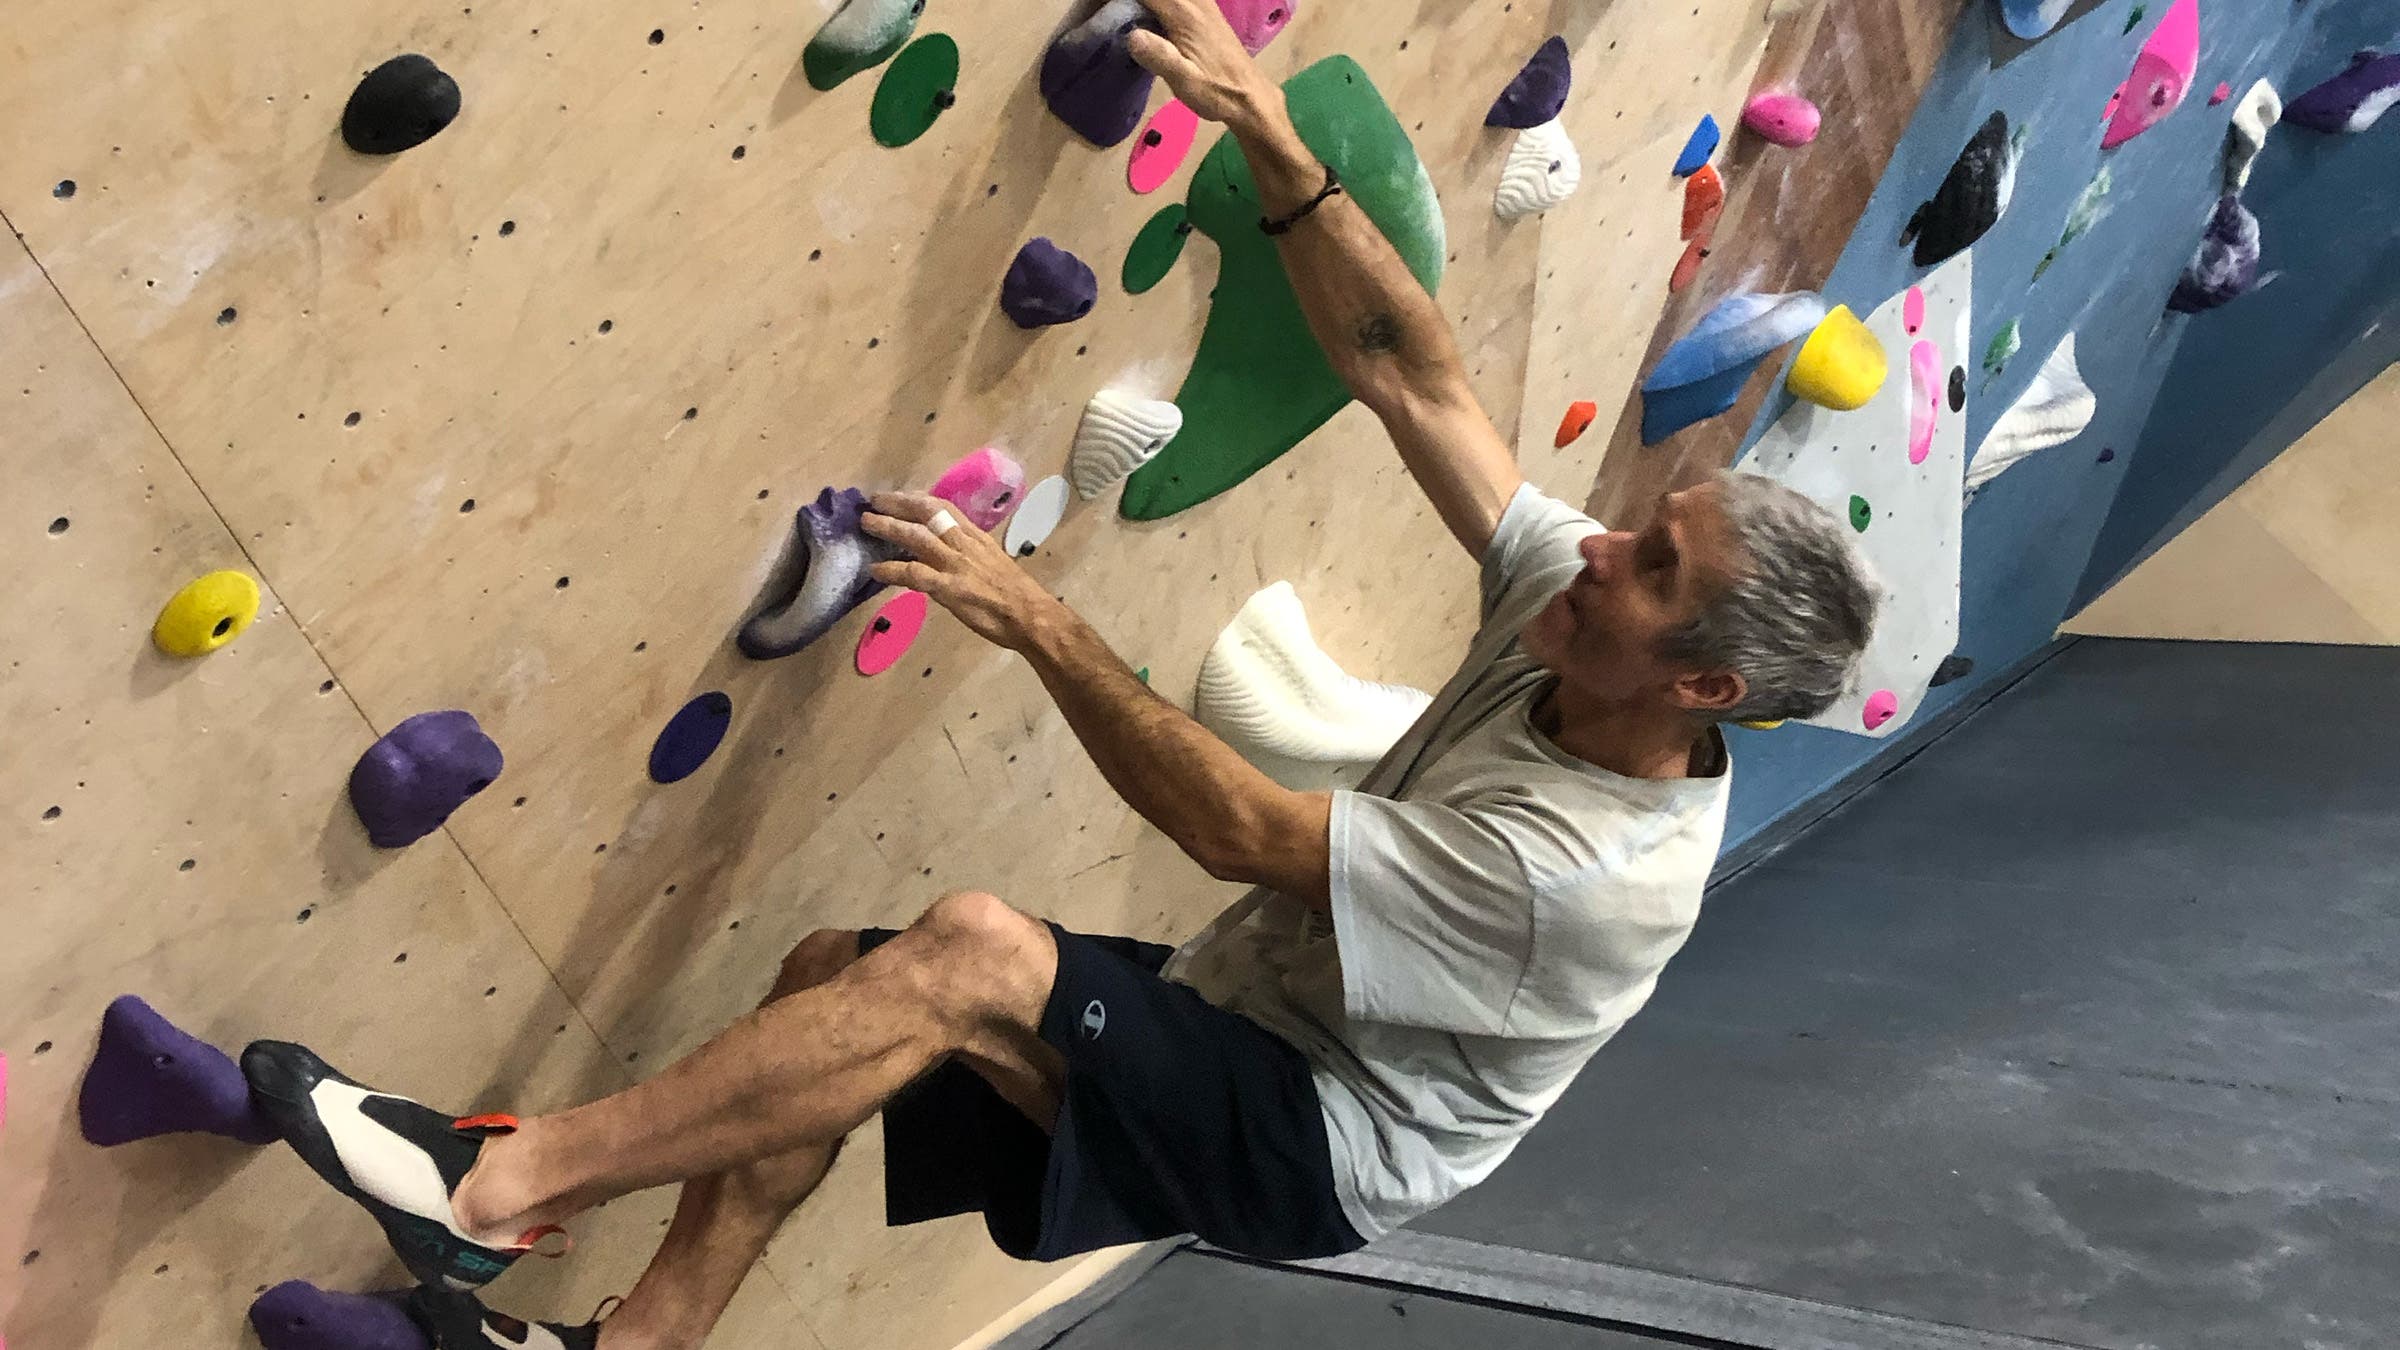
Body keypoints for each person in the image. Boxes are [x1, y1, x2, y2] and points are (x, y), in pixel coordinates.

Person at [235, 1, 1881, 1345]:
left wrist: (1037, 617)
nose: (1600, 552)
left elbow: (1241, 830)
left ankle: (483, 1190)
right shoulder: (1579, 618)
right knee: (838, 975)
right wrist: (1270, 134)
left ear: (1704, 689)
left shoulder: (1583, 875)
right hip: (1266, 1005)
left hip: (1322, 1139)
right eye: (1638, 530)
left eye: (1653, 572)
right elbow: (1405, 370)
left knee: (971, 957)